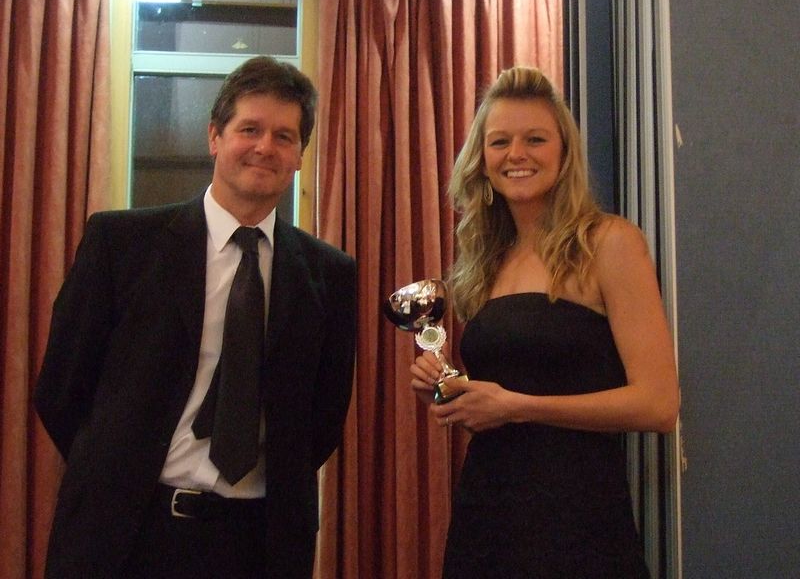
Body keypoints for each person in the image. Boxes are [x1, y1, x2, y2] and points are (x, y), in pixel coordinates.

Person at [34, 55, 357, 579]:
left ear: (300, 155)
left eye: (284, 136)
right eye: (249, 129)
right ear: (214, 136)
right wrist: (112, 472)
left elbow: (323, 419)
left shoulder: (330, 274)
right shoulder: (121, 245)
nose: (264, 147)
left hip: (260, 545)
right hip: (126, 535)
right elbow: (61, 388)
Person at [410, 66, 679, 578]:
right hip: (486, 517)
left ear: (564, 152)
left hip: (579, 520)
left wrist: (517, 407)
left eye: (535, 139)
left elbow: (659, 404)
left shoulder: (609, 243)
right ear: (482, 158)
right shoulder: (485, 261)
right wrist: (448, 392)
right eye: (500, 142)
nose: (517, 154)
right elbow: (499, 395)